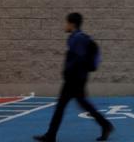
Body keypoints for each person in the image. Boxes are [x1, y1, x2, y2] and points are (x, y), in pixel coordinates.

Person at [34, 13, 113, 142]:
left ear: (72, 24)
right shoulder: (76, 37)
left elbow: (78, 58)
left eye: (66, 23)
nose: (65, 25)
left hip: (74, 79)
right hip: (77, 78)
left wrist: (68, 71)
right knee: (79, 104)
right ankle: (105, 125)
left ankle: (51, 135)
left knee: (63, 106)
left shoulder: (77, 38)